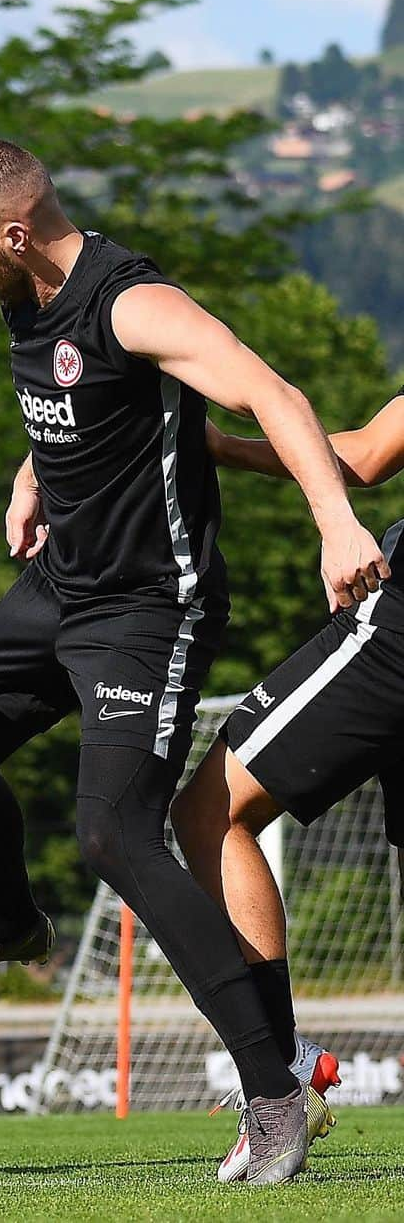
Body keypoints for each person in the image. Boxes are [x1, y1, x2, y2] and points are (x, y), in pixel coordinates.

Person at [0, 139, 386, 1184]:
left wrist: (336, 524)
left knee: (119, 836)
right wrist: (32, 474)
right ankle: (6, 919)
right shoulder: (22, 297)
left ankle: (272, 1092)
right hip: (58, 589)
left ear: (16, 234)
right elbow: (82, 406)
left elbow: (271, 392)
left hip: (146, 612)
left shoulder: (135, 303)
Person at [172, 387, 404, 1182]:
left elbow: (370, 455)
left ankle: (282, 1074)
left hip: (399, 636)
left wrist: (216, 445)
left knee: (210, 810)